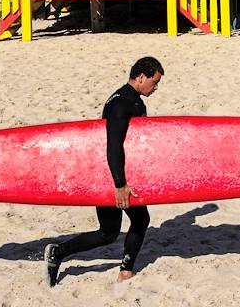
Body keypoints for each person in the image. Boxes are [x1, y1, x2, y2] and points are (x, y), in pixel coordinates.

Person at [45, 57, 164, 286]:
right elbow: (113, 145)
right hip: (112, 174)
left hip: (116, 172)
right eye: (154, 81)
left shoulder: (132, 100)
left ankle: (122, 270)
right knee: (117, 229)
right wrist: (119, 184)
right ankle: (60, 252)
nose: (156, 87)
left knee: (117, 229)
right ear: (140, 77)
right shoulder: (121, 104)